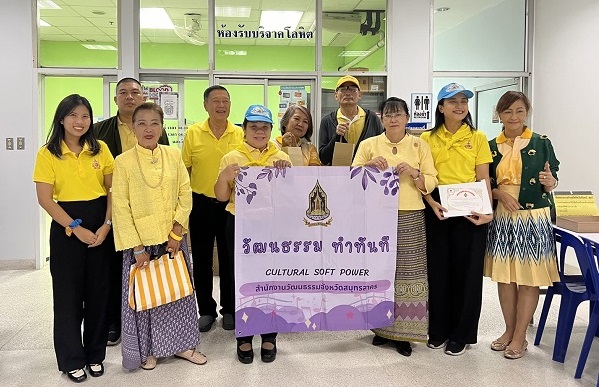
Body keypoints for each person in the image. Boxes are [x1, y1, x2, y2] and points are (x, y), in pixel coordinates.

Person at [112, 103, 206, 370]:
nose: (148, 129)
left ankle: (184, 346)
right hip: (140, 244)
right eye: (141, 123)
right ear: (133, 128)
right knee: (146, 297)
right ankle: (147, 351)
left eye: (154, 123)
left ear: (162, 126)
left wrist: (177, 232)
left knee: (177, 292)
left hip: (173, 239)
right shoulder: (123, 161)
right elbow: (120, 206)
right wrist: (137, 247)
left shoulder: (173, 155)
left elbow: (184, 194)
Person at [33, 94, 114, 383]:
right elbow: (46, 199)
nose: (80, 122)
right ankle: (71, 359)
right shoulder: (48, 153)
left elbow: (112, 191)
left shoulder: (100, 149)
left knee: (98, 294)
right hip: (67, 226)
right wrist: (75, 228)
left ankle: (95, 355)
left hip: (100, 225)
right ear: (61, 118)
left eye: (85, 116)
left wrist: (106, 225)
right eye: (73, 116)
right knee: (67, 297)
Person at [352, 97, 438, 357]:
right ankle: (380, 330)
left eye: (398, 114)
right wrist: (367, 166)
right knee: (379, 272)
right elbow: (352, 175)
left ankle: (405, 334)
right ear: (381, 118)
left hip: (410, 214)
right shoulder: (369, 144)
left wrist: (414, 172)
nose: (393, 119)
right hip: (377, 216)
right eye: (388, 115)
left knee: (409, 275)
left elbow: (432, 180)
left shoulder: (419, 145)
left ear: (407, 117)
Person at [484, 91, 560, 359]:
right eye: (507, 112)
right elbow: (483, 183)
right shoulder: (491, 145)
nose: (513, 117)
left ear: (526, 111)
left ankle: (520, 337)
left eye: (518, 111)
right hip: (504, 216)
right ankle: (507, 330)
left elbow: (552, 179)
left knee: (528, 279)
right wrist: (499, 194)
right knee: (505, 278)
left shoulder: (541, 143)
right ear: (499, 115)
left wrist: (551, 183)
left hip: (534, 216)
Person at [94, 77, 169, 346]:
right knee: (113, 268)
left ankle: (151, 321)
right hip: (112, 206)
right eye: (123, 93)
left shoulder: (157, 130)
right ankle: (115, 320)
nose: (129, 96)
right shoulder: (99, 131)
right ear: (115, 99)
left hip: (149, 210)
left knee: (148, 270)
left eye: (135, 92)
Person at [420, 83, 493, 356]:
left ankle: (461, 334)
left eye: (463, 101)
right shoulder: (427, 138)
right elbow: (423, 175)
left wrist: (488, 211)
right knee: (438, 271)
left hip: (470, 203)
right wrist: (430, 201)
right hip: (437, 204)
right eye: (452, 101)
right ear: (441, 107)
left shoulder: (478, 137)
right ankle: (437, 330)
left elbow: (483, 175)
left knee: (467, 272)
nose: (459, 106)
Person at [214, 105, 291, 364]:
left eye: (265, 127)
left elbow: (290, 198)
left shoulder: (281, 157)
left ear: (271, 130)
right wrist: (225, 176)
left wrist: (286, 175)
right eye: (254, 127)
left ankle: (270, 335)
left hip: (272, 227)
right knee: (242, 280)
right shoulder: (231, 157)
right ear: (244, 129)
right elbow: (221, 196)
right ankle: (244, 337)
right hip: (240, 223)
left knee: (271, 279)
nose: (259, 132)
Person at [182, 85, 244, 333]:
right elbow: (185, 170)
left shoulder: (239, 133)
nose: (221, 105)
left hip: (231, 206)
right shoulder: (193, 133)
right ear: (205, 105)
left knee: (230, 259)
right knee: (202, 259)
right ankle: (206, 310)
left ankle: (229, 309)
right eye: (216, 101)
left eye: (225, 101)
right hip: (200, 204)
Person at [318, 75, 384, 165]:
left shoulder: (372, 119)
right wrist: (336, 137)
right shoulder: (327, 121)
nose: (348, 93)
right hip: (337, 176)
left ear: (360, 94)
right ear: (336, 95)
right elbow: (323, 158)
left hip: (366, 175)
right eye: (343, 89)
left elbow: (381, 149)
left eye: (353, 89)